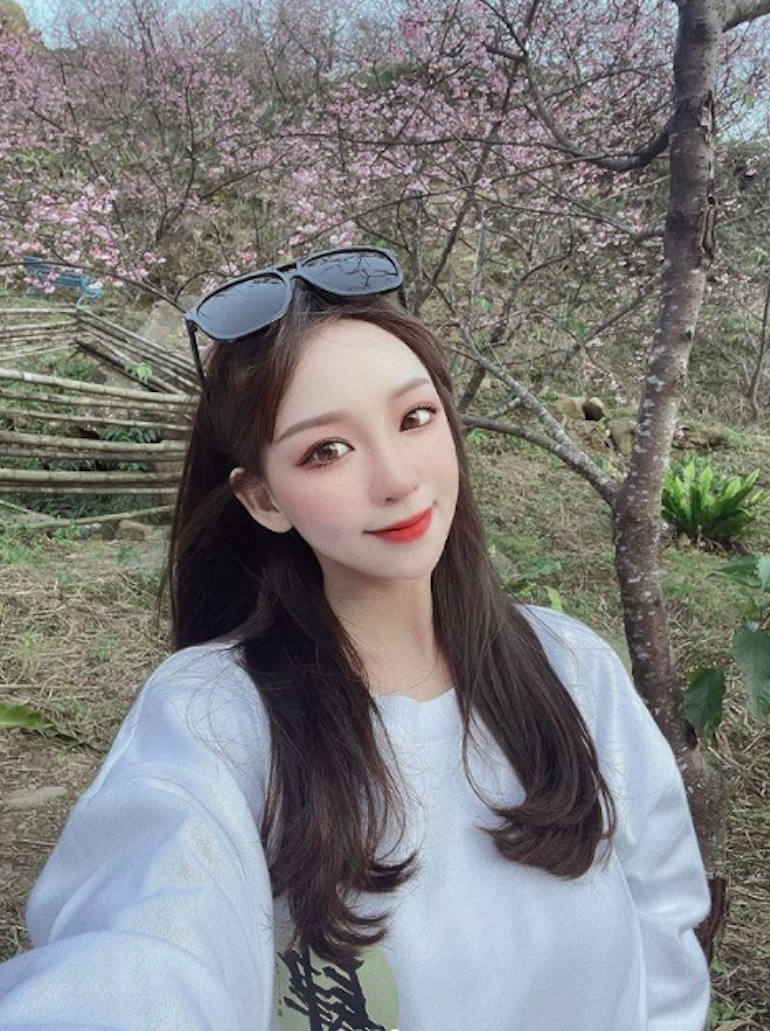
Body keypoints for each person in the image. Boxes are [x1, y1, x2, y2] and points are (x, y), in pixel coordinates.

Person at [0, 246, 711, 1031]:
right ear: (263, 497)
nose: (397, 478)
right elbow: (144, 942)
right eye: (326, 450)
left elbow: (663, 916)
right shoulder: (214, 717)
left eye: (414, 417)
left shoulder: (573, 669)